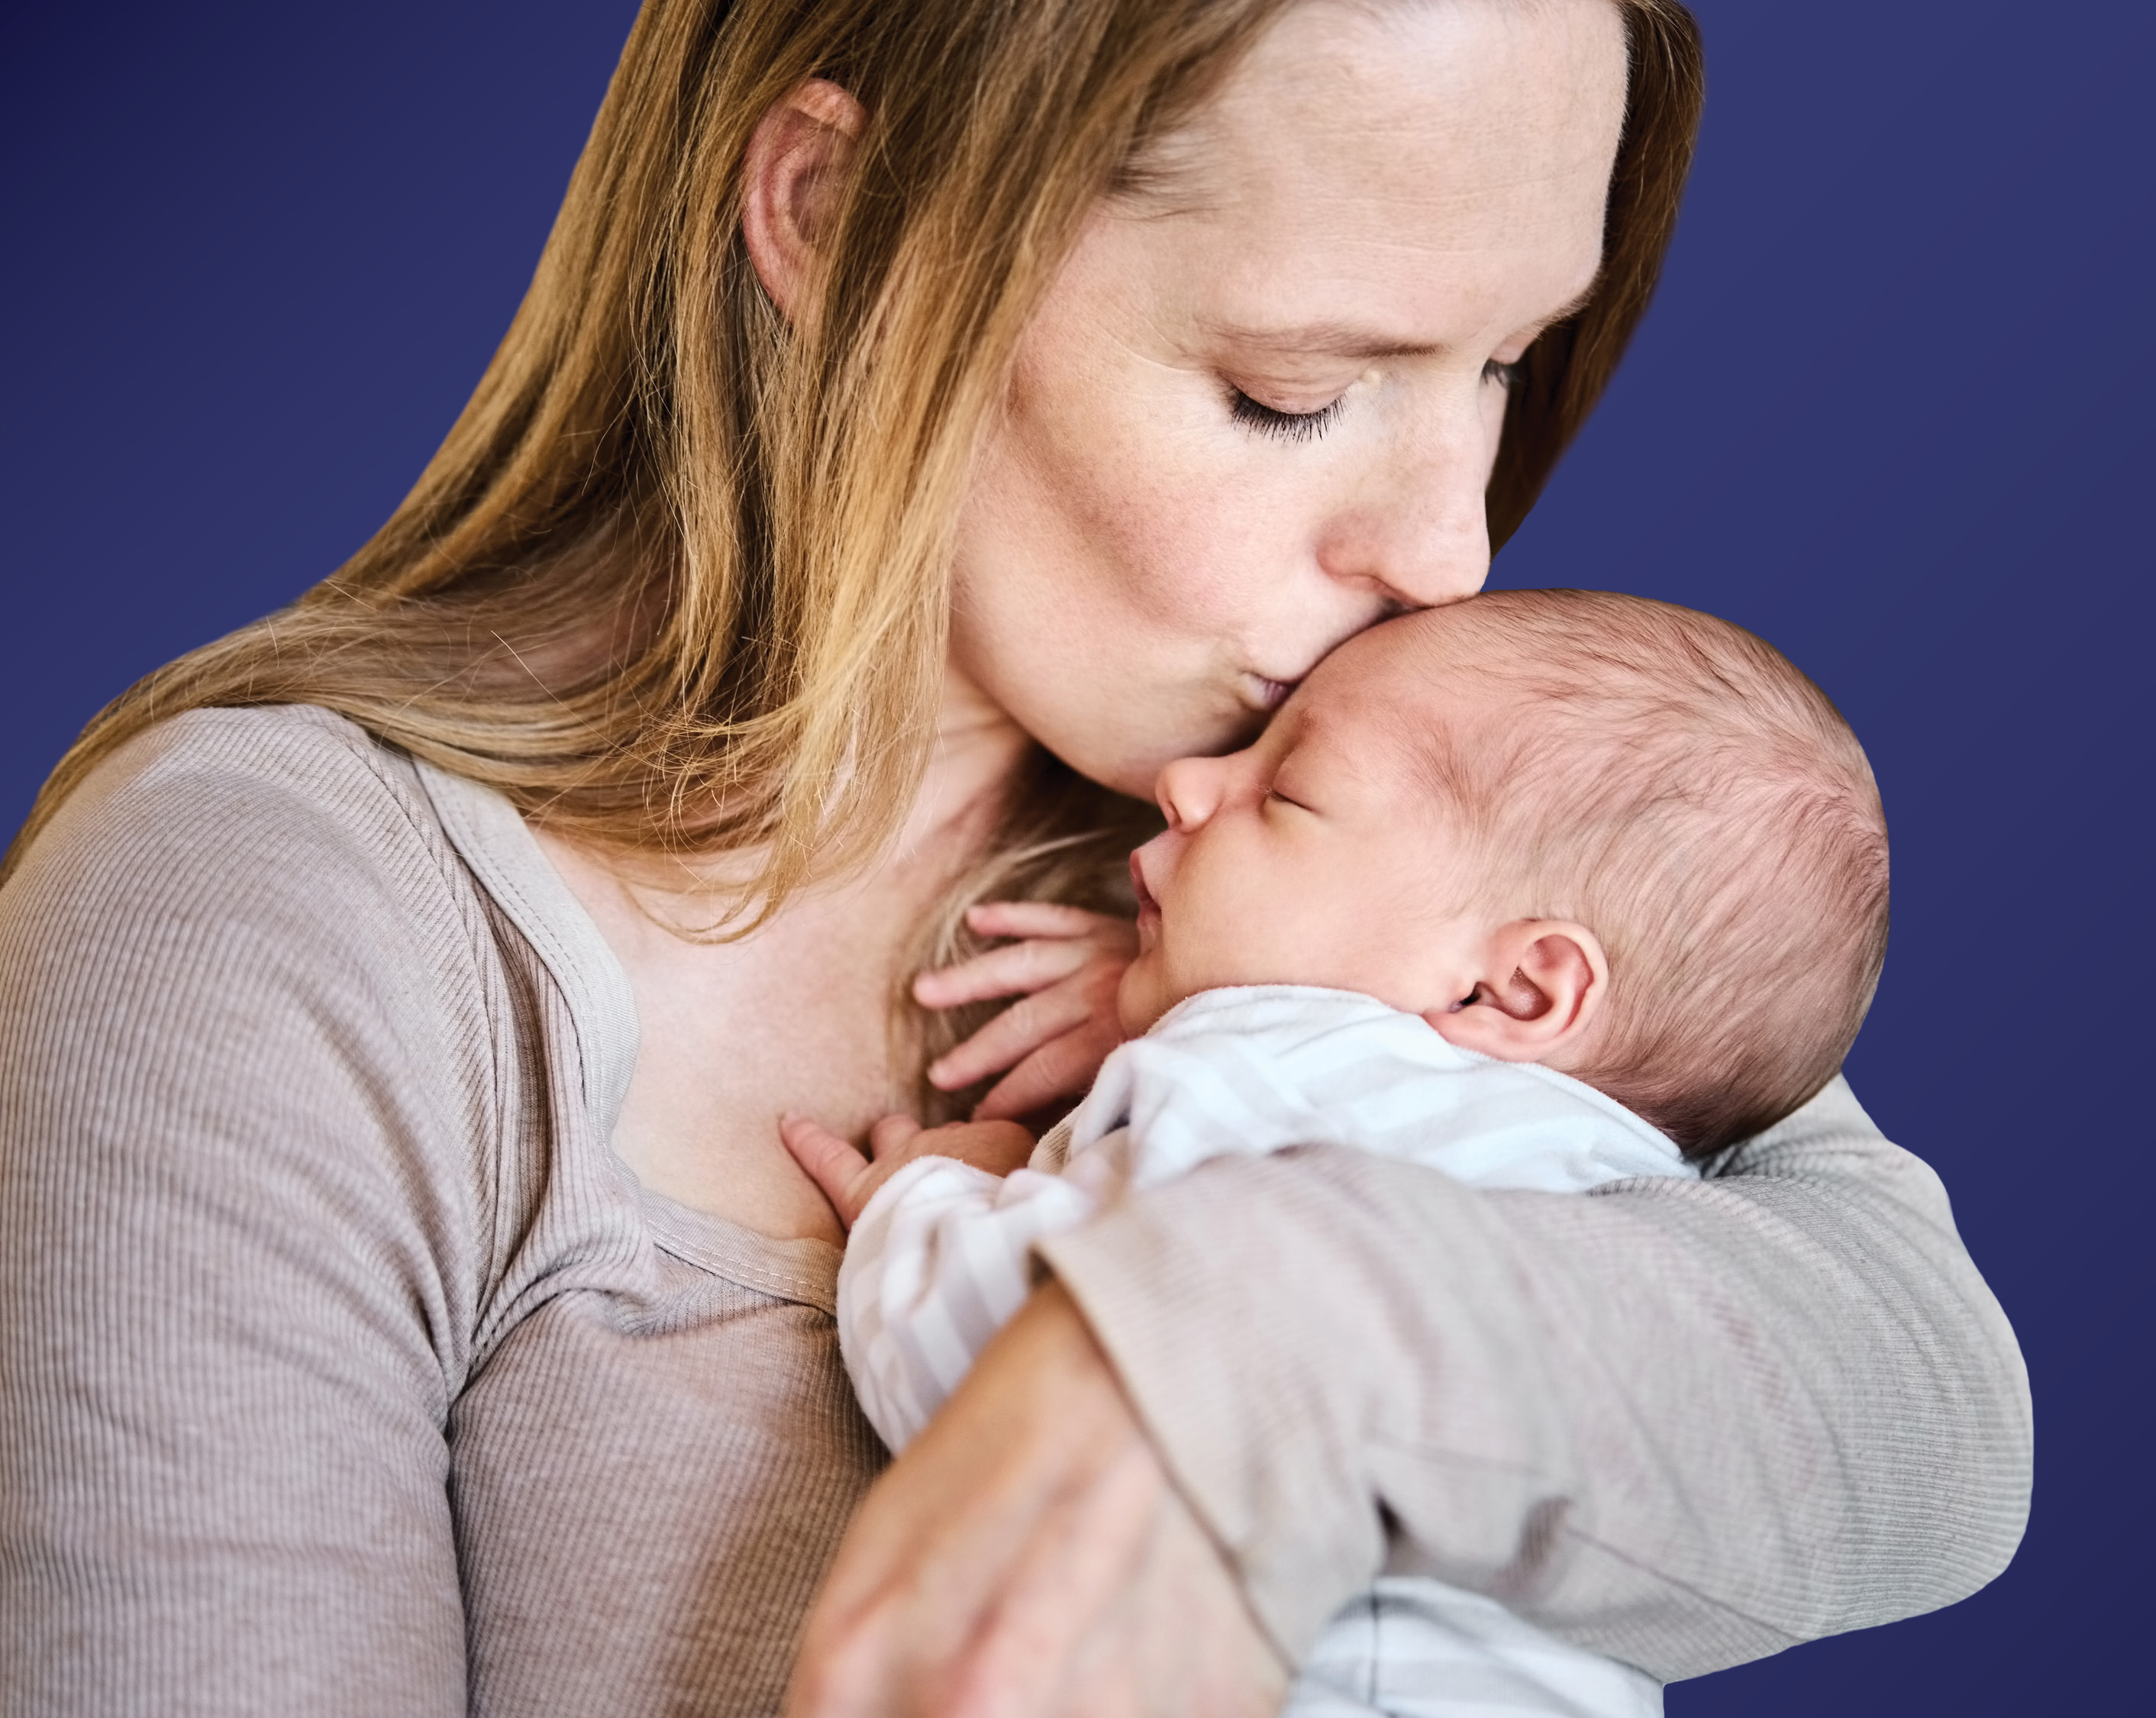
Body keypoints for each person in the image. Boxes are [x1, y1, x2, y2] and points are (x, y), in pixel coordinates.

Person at [0, 3, 2032, 1714]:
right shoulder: (272, 921)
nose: (1451, 550)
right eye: (1294, 391)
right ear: (842, 219)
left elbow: (1931, 1407)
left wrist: (1228, 1347)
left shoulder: (1343, 828)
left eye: (1504, 364)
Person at [784, 589, 1889, 1718]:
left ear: (1512, 985)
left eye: (1289, 793)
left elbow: (987, 1374)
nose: (1190, 783)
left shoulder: (1266, 1073)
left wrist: (929, 1194)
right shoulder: (1647, 1198)